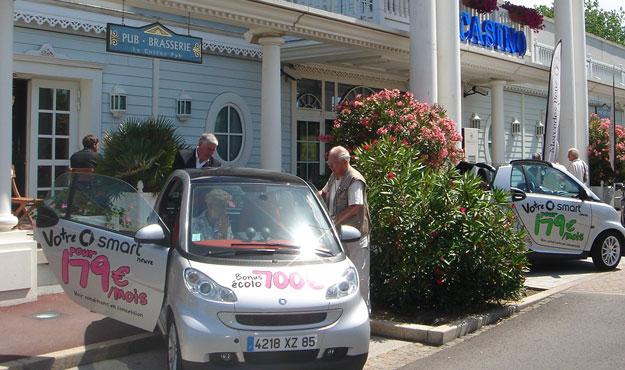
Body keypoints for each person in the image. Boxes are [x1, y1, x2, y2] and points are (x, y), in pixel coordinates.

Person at [319, 146, 371, 310]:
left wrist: (333, 221)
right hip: (339, 235)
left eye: (333, 163)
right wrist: (310, 198)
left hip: (356, 235)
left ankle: (363, 310)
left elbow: (355, 206)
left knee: (359, 274)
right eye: (329, 163)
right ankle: (344, 309)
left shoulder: (355, 179)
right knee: (341, 273)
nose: (330, 167)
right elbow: (324, 193)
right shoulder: (335, 176)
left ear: (344, 162)